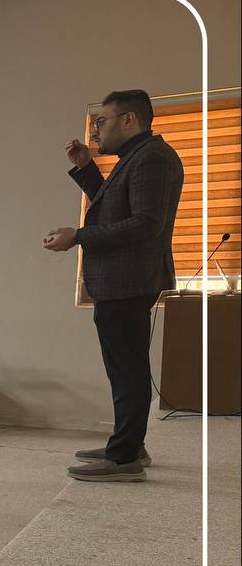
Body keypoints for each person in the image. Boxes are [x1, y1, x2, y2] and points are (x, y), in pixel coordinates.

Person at [45, 89, 184, 482]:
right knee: (124, 369)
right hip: (123, 281)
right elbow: (115, 207)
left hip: (128, 281)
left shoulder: (152, 158)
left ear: (129, 120)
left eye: (101, 122)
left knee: (127, 371)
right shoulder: (138, 157)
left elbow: (145, 224)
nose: (95, 131)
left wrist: (78, 236)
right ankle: (128, 445)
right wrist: (86, 168)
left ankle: (124, 460)